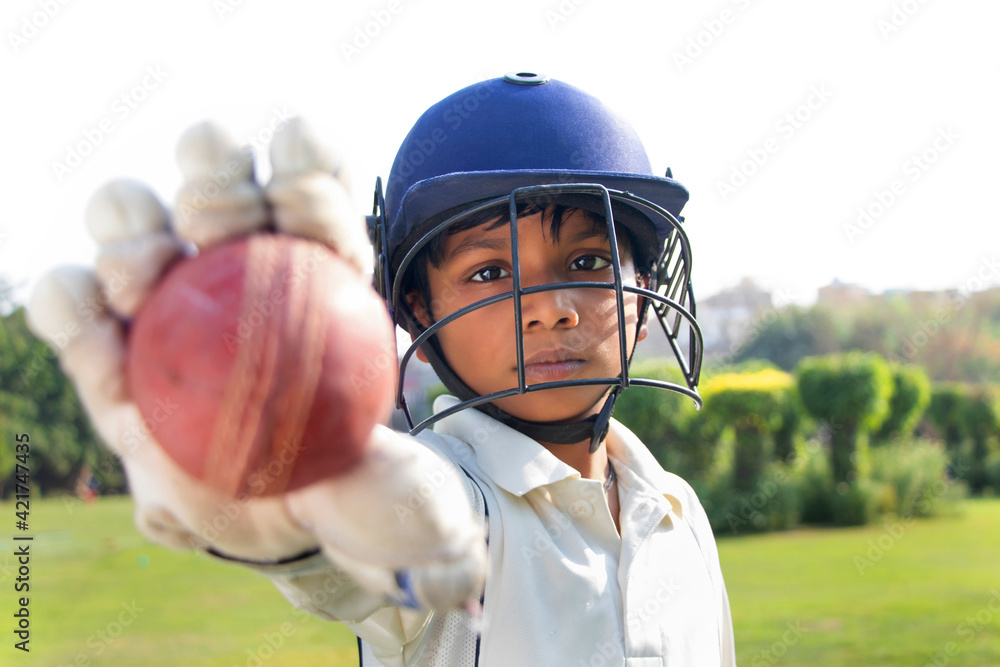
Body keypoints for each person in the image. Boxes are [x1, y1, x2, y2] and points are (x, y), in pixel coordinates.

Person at [27, 71, 736, 666]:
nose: (548, 309)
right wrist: (291, 481)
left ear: (646, 293)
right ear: (418, 317)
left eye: (588, 261)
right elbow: (372, 529)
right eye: (489, 272)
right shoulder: (444, 503)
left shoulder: (677, 509)